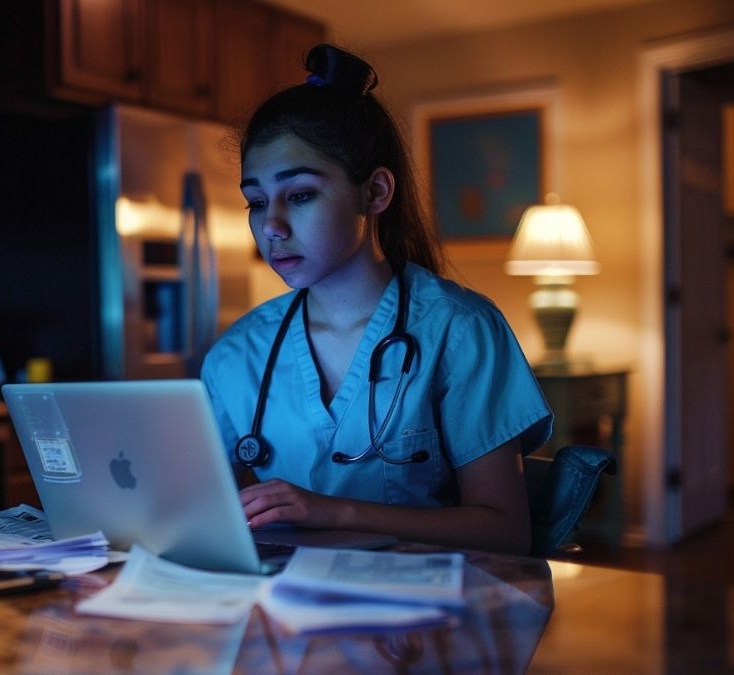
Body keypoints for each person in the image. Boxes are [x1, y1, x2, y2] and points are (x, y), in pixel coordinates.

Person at [200, 44, 552, 555]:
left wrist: (332, 512)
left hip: (419, 622)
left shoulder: (462, 330)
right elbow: (206, 515)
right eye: (256, 202)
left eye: (299, 195)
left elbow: (505, 530)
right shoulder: (235, 356)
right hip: (283, 622)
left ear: (376, 192)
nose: (271, 226)